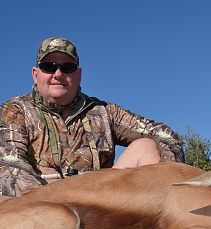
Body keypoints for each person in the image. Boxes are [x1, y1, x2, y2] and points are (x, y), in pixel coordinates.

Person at [0, 37, 184, 198]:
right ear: (35, 74)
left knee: (146, 147)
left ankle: (157, 225)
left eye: (67, 67)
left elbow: (164, 134)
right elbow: (10, 165)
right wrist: (52, 206)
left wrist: (171, 177)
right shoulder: (14, 110)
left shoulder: (104, 111)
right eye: (49, 67)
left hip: (98, 205)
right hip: (39, 207)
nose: (58, 74)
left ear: (78, 75)